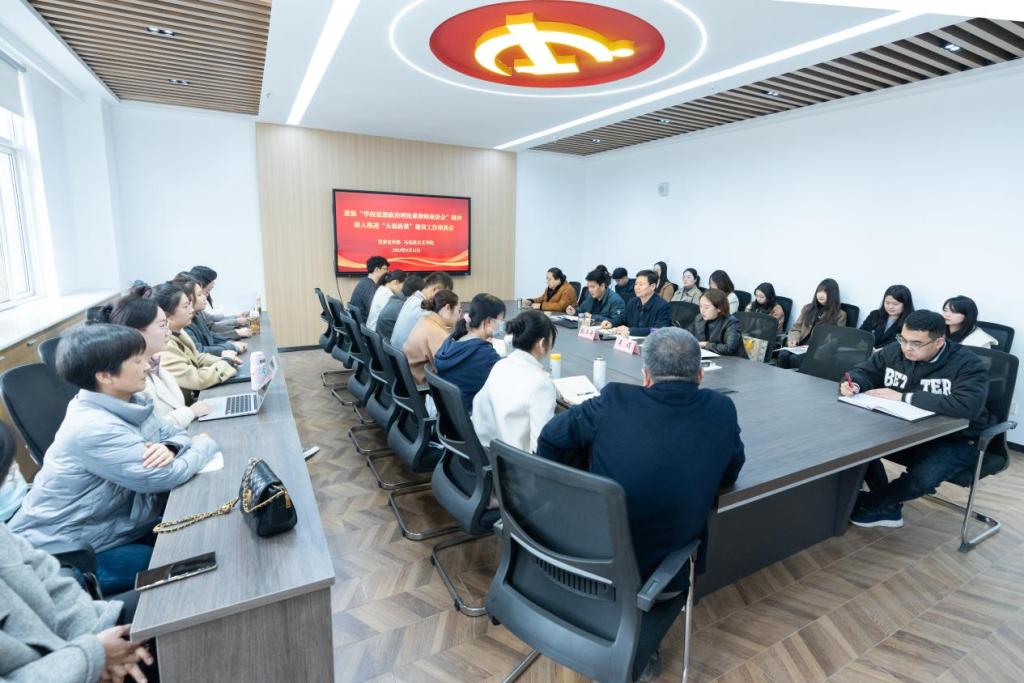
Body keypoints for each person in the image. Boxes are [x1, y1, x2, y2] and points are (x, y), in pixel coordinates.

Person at [9, 324, 220, 595]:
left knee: (197, 534)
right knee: (180, 560)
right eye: (137, 360)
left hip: (115, 524)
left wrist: (170, 447)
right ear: (105, 375)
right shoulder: (93, 427)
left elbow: (174, 432)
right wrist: (204, 444)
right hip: (66, 551)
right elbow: (164, 476)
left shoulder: (129, 400)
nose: (147, 365)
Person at [536, 327, 745, 593]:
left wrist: (563, 496)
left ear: (646, 376)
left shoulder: (614, 399)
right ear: (700, 375)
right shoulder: (722, 409)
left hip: (588, 560)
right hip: (664, 579)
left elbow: (551, 437)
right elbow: (730, 473)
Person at [0, 422, 157, 683]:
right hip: (59, 671)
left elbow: (50, 582)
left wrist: (100, 636)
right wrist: (92, 656)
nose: (13, 479)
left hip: (74, 649)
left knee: (171, 611)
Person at [841, 310, 990, 528]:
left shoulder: (967, 363)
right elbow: (865, 371)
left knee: (922, 478)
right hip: (905, 428)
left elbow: (969, 405)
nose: (907, 348)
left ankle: (873, 502)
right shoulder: (895, 351)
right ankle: (886, 504)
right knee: (855, 445)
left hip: (957, 437)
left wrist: (904, 396)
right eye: (903, 339)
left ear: (939, 342)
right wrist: (855, 384)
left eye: (916, 343)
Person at [92, 284, 211, 427]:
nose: (168, 332)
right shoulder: (128, 379)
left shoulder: (154, 363)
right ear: (136, 332)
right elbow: (147, 430)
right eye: (162, 326)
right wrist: (190, 412)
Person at [472, 310, 557, 453]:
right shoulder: (541, 383)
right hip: (517, 461)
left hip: (487, 450)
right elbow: (542, 445)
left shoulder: (501, 364)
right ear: (542, 344)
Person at [154, 282, 238, 400]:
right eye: (186, 306)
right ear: (167, 314)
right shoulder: (164, 346)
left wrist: (224, 360)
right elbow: (197, 379)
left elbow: (196, 357)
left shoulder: (179, 331)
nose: (191, 309)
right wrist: (225, 362)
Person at [434, 293, 506, 413]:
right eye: (500, 320)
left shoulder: (451, 341)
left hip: (451, 416)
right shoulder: (483, 353)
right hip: (472, 416)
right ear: (488, 321)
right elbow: (505, 382)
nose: (502, 323)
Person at [778, 278, 846, 369]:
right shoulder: (808, 308)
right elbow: (796, 328)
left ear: (833, 294)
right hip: (799, 345)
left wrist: (820, 347)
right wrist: (793, 340)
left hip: (817, 350)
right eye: (819, 291)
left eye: (825, 292)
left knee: (795, 359)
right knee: (783, 355)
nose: (820, 295)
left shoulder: (840, 315)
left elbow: (836, 339)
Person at [174, 274, 247, 358]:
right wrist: (231, 345)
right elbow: (200, 351)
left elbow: (209, 335)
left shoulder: (196, 316)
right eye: (200, 294)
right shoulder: (185, 324)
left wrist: (229, 342)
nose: (205, 297)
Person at [403, 290, 461, 385]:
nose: (459, 317)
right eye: (459, 311)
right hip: (423, 386)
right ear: (447, 308)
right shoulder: (436, 332)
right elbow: (449, 368)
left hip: (411, 381)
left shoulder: (425, 320)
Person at [391, 271, 454, 349]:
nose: (444, 300)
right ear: (435, 290)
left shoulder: (413, 299)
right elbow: (443, 337)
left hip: (397, 352)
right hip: (405, 354)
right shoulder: (423, 310)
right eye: (444, 295)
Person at [188, 265, 252, 340]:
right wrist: (236, 330)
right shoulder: (191, 316)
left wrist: (235, 320)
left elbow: (211, 322)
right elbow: (210, 331)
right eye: (207, 291)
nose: (205, 297)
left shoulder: (199, 311)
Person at [600, 269, 672, 336]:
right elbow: (623, 319)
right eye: (636, 284)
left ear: (652, 286)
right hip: (630, 341)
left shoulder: (662, 305)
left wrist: (631, 331)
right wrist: (611, 323)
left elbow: (659, 330)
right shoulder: (632, 302)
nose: (637, 287)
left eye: (641, 284)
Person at [689, 289, 746, 357]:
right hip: (709, 357)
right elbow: (687, 334)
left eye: (706, 307)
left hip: (733, 360)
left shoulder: (731, 322)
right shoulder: (699, 318)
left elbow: (729, 348)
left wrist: (706, 344)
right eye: (700, 306)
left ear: (719, 308)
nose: (702, 311)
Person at [376, 274, 423, 341]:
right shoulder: (403, 307)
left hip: (384, 341)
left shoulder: (396, 299)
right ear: (415, 293)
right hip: (388, 344)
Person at [349, 255, 389, 320]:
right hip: (366, 323)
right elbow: (378, 311)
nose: (387, 272)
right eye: (385, 269)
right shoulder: (370, 288)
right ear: (376, 270)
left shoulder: (364, 281)